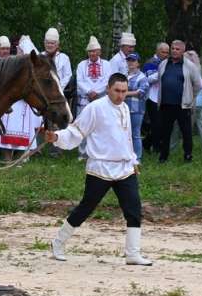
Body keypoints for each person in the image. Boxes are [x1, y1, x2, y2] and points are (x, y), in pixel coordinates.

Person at [46, 73, 150, 266]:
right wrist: (57, 137)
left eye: (124, 91)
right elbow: (77, 131)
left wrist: (133, 160)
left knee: (134, 209)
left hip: (124, 168)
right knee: (86, 207)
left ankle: (133, 254)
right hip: (100, 167)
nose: (120, 95)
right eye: (117, 91)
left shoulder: (125, 108)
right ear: (108, 89)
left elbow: (126, 137)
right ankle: (57, 244)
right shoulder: (95, 108)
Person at [0, 36, 44, 158]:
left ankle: (20, 159)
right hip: (9, 103)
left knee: (22, 132)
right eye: (3, 48)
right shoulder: (2, 63)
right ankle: (7, 159)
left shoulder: (18, 63)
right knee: (7, 132)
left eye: (7, 48)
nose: (6, 51)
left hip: (22, 103)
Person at [156, 40, 202, 163]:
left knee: (186, 132)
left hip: (183, 105)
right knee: (165, 132)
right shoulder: (163, 64)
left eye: (178, 49)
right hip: (166, 104)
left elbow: (198, 85)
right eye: (173, 48)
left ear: (183, 51)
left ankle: (188, 155)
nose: (174, 51)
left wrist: (190, 97)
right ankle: (163, 156)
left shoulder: (189, 66)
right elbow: (160, 80)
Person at [75, 36, 111, 158]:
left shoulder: (106, 64)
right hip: (85, 99)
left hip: (101, 99)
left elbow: (107, 80)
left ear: (100, 51)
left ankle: (99, 152)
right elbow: (79, 81)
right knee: (83, 125)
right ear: (87, 52)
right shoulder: (81, 65)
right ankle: (82, 153)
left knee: (101, 126)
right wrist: (89, 91)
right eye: (90, 51)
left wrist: (97, 92)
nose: (93, 53)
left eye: (95, 51)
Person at [142, 42, 170, 153]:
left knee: (163, 123)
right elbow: (148, 79)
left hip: (164, 97)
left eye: (167, 52)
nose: (166, 54)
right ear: (157, 51)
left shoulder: (168, 63)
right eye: (163, 52)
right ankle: (155, 147)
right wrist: (161, 72)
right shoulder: (150, 63)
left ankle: (147, 143)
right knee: (156, 123)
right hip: (152, 98)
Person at [125, 53, 149, 161]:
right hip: (123, 109)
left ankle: (137, 158)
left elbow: (141, 93)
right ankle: (126, 156)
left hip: (137, 109)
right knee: (124, 133)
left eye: (133, 61)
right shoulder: (124, 76)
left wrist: (124, 93)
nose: (130, 62)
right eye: (129, 60)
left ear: (138, 63)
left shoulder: (142, 77)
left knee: (135, 133)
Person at [41, 28, 73, 96]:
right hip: (42, 93)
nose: (49, 45)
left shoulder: (64, 58)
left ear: (57, 44)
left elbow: (68, 76)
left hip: (59, 93)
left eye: (52, 43)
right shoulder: (40, 56)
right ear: (44, 43)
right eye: (47, 43)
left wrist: (57, 87)